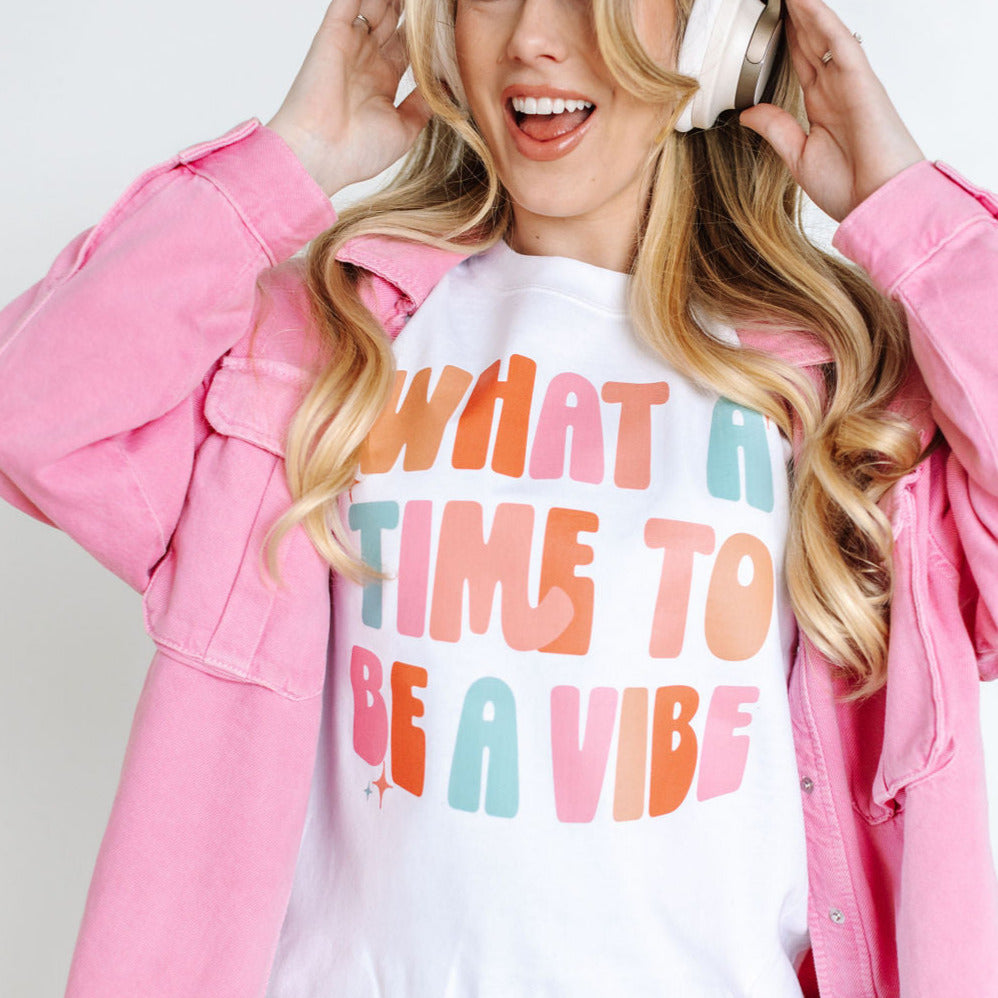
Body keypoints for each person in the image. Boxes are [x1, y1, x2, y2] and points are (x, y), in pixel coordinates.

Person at [0, 0, 996, 995]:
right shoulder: (324, 349)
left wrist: (905, 210)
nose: (528, 37)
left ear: (714, 32)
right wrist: (291, 160)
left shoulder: (847, 400)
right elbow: (30, 413)